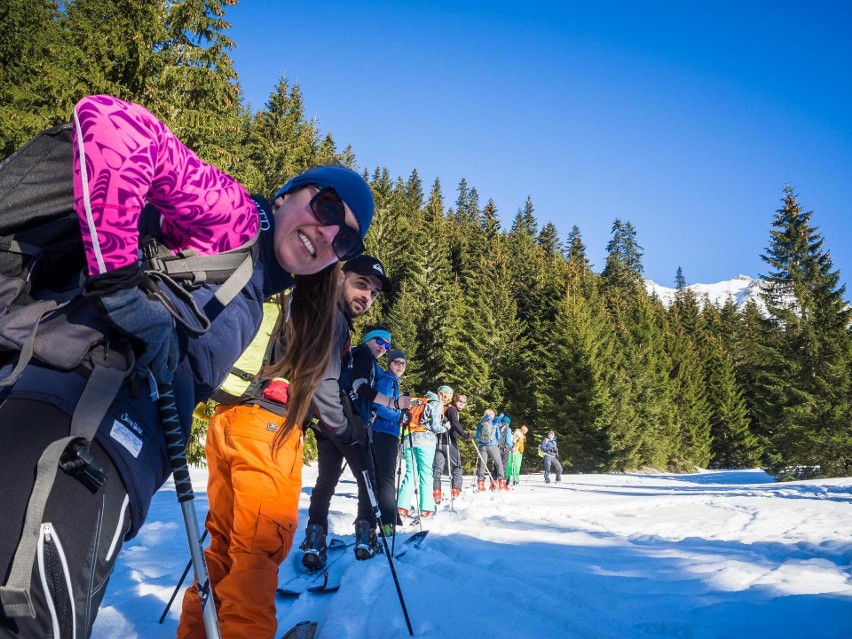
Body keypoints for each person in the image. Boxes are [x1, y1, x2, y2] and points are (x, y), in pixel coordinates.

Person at [0, 94, 375, 639]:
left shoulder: (267, 288)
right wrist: (119, 289)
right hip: (71, 429)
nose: (326, 235)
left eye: (344, 238)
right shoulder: (237, 219)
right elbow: (111, 122)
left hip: (107, 456)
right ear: (289, 194)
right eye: (324, 210)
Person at [178, 256, 391, 638]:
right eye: (361, 284)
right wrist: (347, 430)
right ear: (339, 275)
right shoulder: (331, 317)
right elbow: (324, 388)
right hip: (270, 429)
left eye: (373, 293)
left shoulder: (294, 300)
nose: (367, 297)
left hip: (230, 420)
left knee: (223, 546)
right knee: (257, 551)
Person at [302, 323, 402, 568]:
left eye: (387, 344)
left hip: (327, 422)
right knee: (368, 481)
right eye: (380, 341)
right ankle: (365, 540)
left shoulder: (344, 354)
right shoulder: (362, 354)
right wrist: (394, 404)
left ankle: (315, 540)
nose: (383, 347)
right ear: (368, 340)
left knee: (325, 482)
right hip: (351, 424)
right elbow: (360, 387)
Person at [372, 349, 406, 535]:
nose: (400, 366)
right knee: (386, 478)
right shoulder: (387, 380)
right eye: (396, 362)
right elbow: (379, 406)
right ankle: (387, 523)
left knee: (380, 477)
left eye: (402, 363)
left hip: (383, 433)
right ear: (389, 363)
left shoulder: (391, 381)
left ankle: (380, 519)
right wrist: (400, 416)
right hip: (383, 433)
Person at [397, 389, 445, 518]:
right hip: (426, 441)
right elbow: (436, 427)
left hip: (409, 439)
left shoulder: (415, 402)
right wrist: (446, 427)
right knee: (425, 473)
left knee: (410, 472)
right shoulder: (435, 404)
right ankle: (426, 508)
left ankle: (402, 507)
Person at [433, 392, 470, 502]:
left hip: (439, 442)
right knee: (457, 466)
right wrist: (464, 435)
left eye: (464, 402)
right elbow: (454, 423)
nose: (462, 404)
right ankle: (456, 491)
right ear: (455, 401)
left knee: (438, 468)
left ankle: (436, 493)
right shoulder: (452, 409)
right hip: (449, 443)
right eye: (460, 401)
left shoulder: (446, 409)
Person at [474, 409, 507, 491]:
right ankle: (501, 484)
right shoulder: (494, 422)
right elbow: (498, 436)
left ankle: (481, 485)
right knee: (498, 464)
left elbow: (477, 437)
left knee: (482, 465)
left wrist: (481, 441)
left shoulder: (481, 422)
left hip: (482, 446)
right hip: (492, 445)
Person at [497, 415, 513, 482]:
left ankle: (494, 483)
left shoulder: (497, 427)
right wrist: (512, 445)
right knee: (504, 465)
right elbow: (508, 442)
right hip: (505, 449)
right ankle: (502, 483)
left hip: (496, 448)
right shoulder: (508, 429)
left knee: (496, 465)